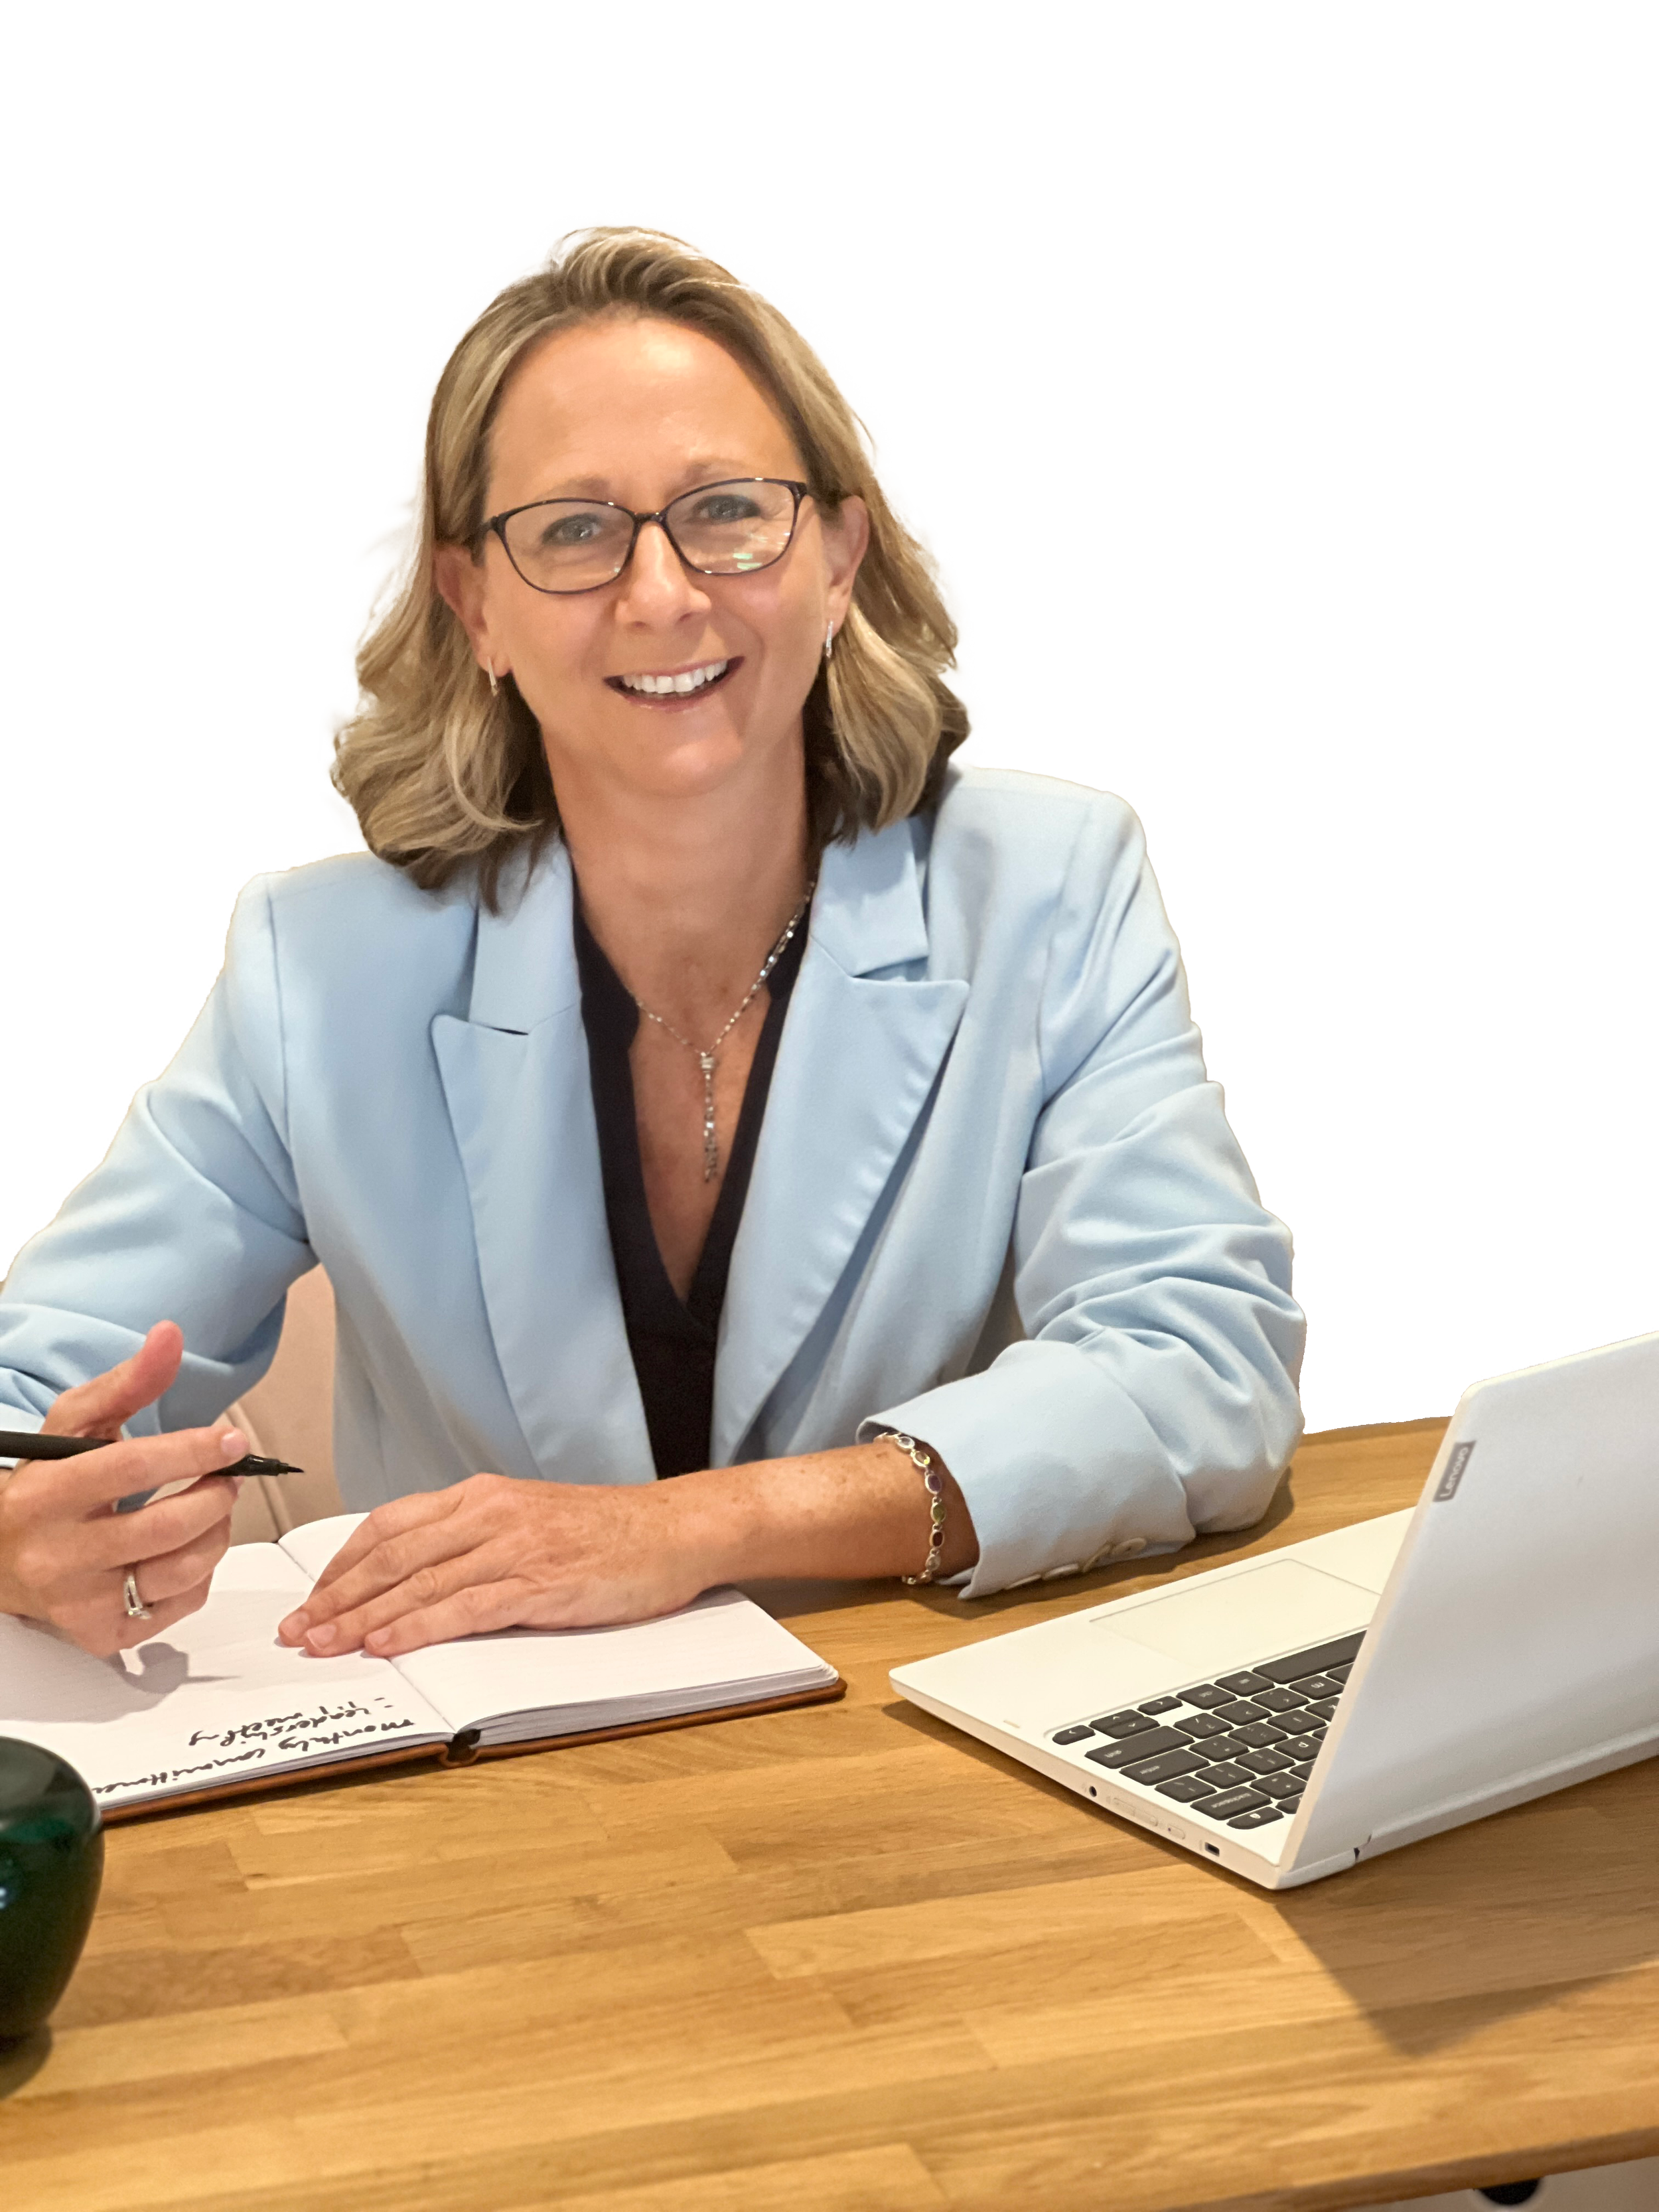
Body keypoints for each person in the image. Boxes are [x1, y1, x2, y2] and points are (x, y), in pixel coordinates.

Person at [0, 227, 1304, 1663]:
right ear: (473, 605)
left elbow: (1202, 1368)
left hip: (922, 1756)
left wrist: (685, 1531)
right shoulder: (316, 973)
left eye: (728, 512)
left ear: (837, 558)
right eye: (571, 530)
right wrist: (31, 1522)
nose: (662, 593)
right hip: (487, 1790)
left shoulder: (1049, 889)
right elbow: (34, 1389)